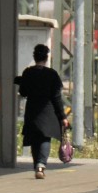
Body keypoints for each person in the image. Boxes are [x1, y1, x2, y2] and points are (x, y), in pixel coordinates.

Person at [17, 44, 67, 180]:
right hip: (48, 112)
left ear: (34, 57)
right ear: (46, 58)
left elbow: (23, 92)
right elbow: (56, 98)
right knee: (45, 138)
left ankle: (36, 166)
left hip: (32, 110)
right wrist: (63, 116)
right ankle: (41, 165)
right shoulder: (52, 74)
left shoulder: (28, 72)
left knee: (34, 139)